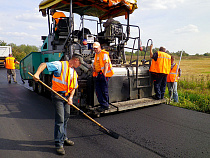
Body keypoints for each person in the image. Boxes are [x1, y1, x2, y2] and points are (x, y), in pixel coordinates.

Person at [33, 53, 84, 155]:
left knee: (66, 117)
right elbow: (44, 64)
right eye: (80, 63)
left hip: (66, 97)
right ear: (75, 60)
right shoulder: (60, 65)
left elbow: (74, 87)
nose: (80, 65)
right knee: (60, 120)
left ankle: (64, 138)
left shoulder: (74, 72)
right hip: (57, 96)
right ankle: (59, 144)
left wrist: (70, 97)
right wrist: (37, 74)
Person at [92, 42, 114, 112]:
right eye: (94, 49)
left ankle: (105, 105)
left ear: (99, 47)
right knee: (98, 90)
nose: (95, 50)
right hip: (99, 74)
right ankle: (102, 104)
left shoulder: (104, 54)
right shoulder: (96, 55)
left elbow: (106, 64)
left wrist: (104, 74)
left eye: (96, 48)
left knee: (104, 90)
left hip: (104, 74)